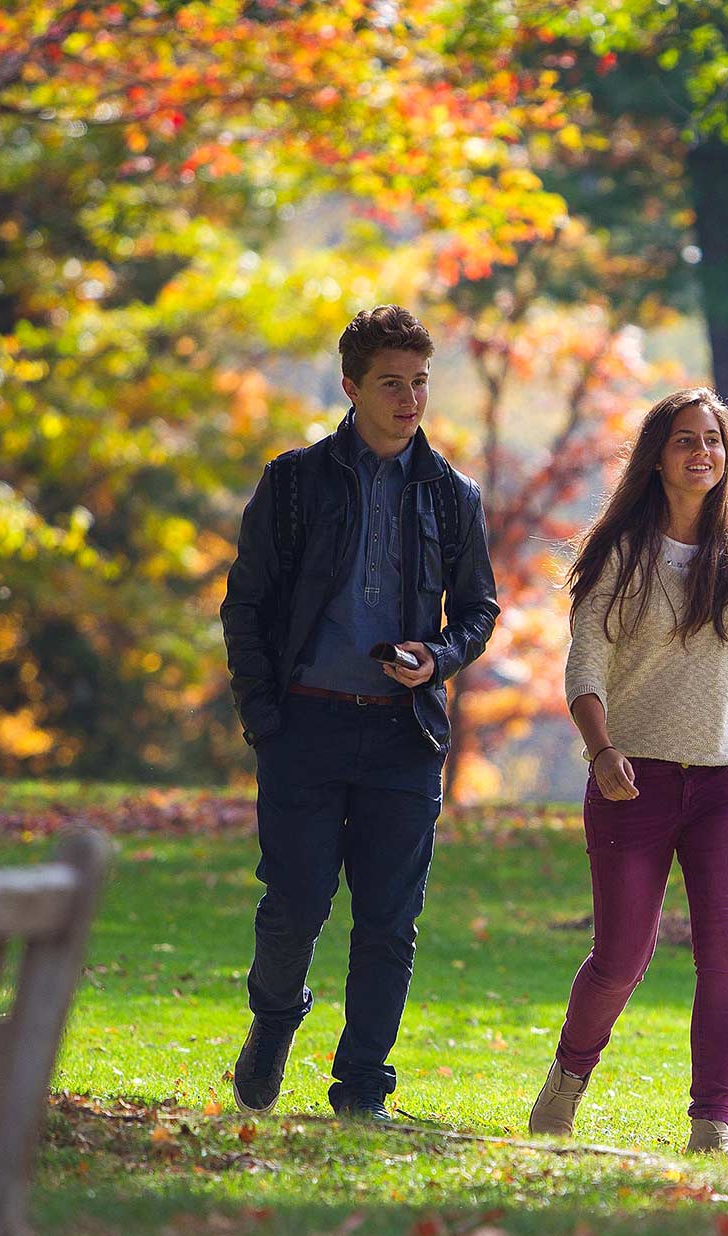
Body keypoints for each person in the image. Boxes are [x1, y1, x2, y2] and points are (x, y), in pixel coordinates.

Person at [219, 305, 498, 1121]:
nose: (410, 398)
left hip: (402, 736)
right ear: (351, 387)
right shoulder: (295, 482)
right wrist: (264, 718)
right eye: (391, 383)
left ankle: (362, 1090)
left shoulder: (452, 496)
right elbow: (246, 607)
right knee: (295, 903)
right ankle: (274, 1020)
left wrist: (438, 658)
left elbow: (479, 609)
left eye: (419, 382)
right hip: (304, 726)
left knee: (389, 921)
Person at [529, 386, 728, 1155]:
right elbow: (586, 662)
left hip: (725, 783)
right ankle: (568, 1079)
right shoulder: (620, 551)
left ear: (726, 456)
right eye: (684, 438)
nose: (700, 451)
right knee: (620, 958)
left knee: (727, 955)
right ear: (658, 453)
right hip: (631, 779)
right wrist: (602, 751)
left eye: (713, 439)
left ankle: (713, 1118)